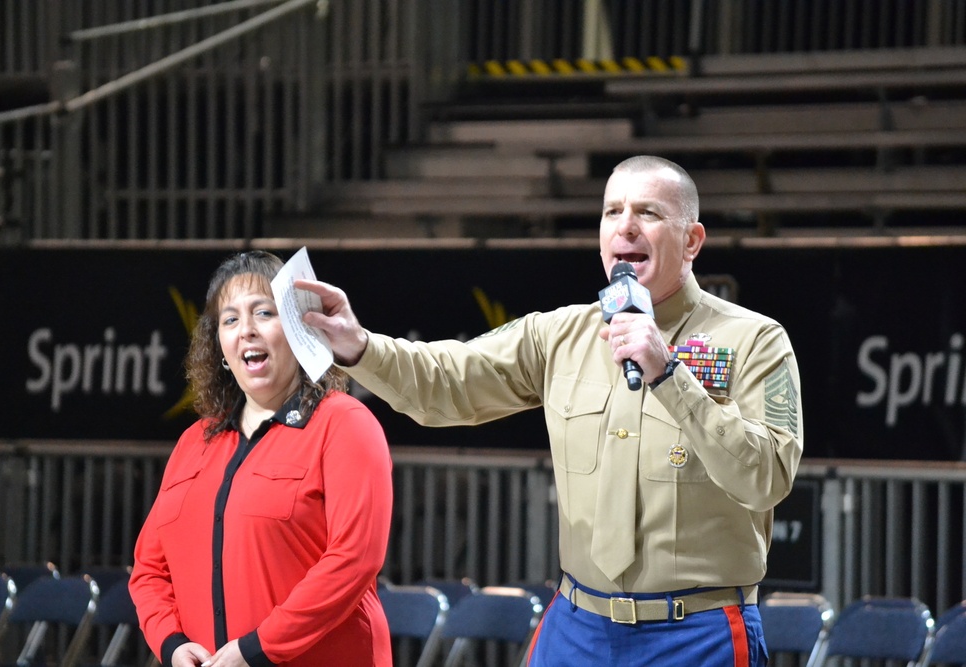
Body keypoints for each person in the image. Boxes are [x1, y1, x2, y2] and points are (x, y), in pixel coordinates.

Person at [297, 155, 802, 666]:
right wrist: (361, 347)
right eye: (612, 212)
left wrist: (670, 376)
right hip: (577, 626)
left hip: (696, 633)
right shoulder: (559, 334)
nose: (625, 225)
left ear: (692, 240)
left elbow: (768, 476)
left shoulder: (756, 340)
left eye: (647, 212)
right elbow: (449, 380)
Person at [129, 251, 394, 667]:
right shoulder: (192, 443)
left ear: (298, 328)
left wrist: (257, 648)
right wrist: (171, 643)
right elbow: (148, 570)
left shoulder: (345, 425)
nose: (246, 330)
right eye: (230, 320)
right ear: (219, 345)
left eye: (264, 313)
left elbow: (354, 561)